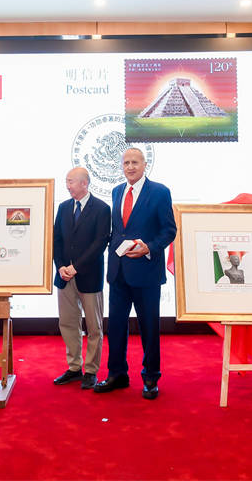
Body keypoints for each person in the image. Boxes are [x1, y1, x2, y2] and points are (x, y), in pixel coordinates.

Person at [95, 148, 176, 399]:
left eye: (135, 162)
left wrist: (149, 247)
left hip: (146, 273)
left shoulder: (160, 192)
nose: (130, 167)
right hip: (118, 272)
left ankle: (151, 377)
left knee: (149, 328)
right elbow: (118, 230)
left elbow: (169, 230)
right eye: (126, 163)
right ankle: (117, 374)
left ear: (144, 164)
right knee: (116, 327)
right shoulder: (117, 191)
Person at [52, 167, 111, 389]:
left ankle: (91, 370)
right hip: (64, 276)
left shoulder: (102, 209)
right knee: (67, 322)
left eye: (71, 181)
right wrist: (61, 266)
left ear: (84, 183)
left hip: (89, 276)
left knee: (94, 326)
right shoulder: (64, 207)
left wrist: (75, 267)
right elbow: (56, 239)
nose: (67, 186)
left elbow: (100, 243)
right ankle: (74, 367)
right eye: (67, 181)